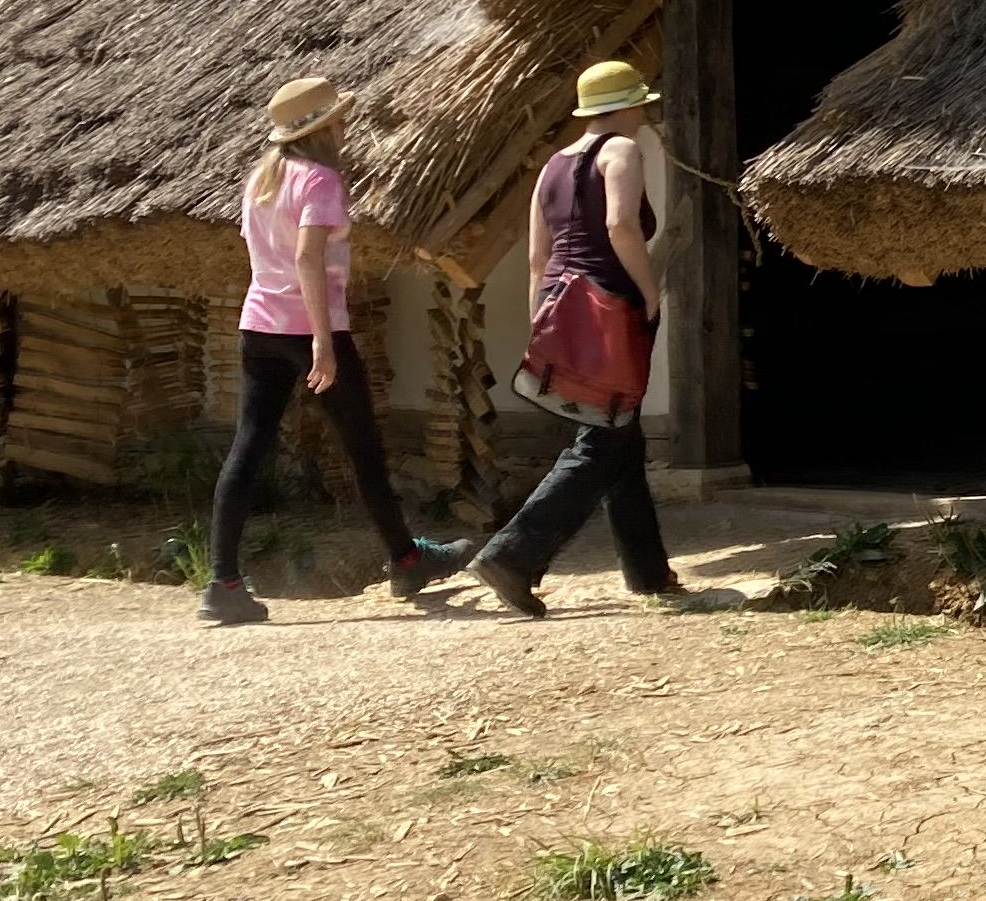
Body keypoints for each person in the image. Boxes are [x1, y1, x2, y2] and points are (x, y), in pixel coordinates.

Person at [206, 76, 466, 627]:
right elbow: (307, 258)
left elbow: (265, 254)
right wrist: (323, 341)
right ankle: (408, 561)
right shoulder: (321, 180)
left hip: (260, 326)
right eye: (339, 120)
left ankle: (222, 583)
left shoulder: (261, 179)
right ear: (323, 130)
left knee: (248, 446)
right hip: (311, 329)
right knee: (363, 448)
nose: (346, 127)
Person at [468, 60, 680, 615]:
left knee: (621, 434)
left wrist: (539, 320)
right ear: (625, 107)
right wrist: (650, 291)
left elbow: (538, 258)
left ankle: (648, 570)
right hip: (610, 304)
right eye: (641, 104)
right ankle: (512, 555)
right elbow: (619, 225)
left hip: (562, 302)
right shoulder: (621, 151)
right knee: (604, 438)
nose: (645, 113)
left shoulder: (552, 165)